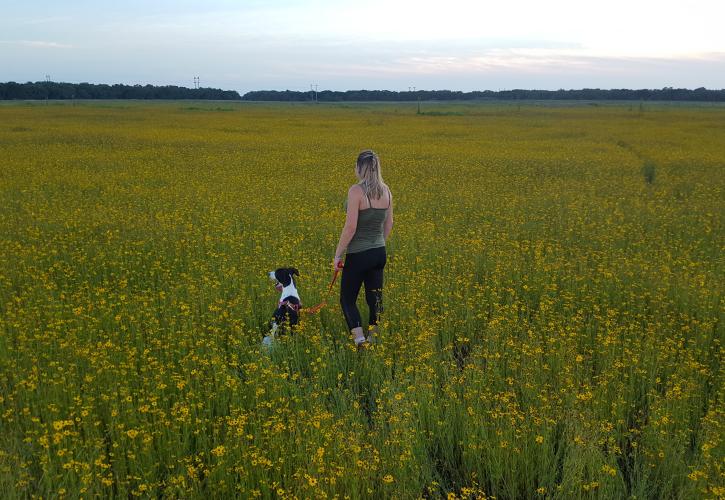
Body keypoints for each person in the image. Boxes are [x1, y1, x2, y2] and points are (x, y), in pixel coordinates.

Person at [334, 150, 393, 349]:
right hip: (379, 252)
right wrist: (378, 243)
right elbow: (389, 223)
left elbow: (350, 227)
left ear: (360, 168)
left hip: (359, 253)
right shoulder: (386, 190)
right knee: (374, 299)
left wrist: (338, 254)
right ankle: (373, 339)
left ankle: (360, 343)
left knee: (347, 299)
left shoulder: (356, 191)